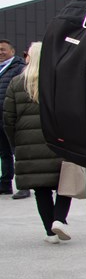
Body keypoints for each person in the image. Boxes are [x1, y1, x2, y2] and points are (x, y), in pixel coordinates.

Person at [3, 42, 73, 242]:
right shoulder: (60, 81)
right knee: (64, 183)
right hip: (59, 139)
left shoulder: (16, 83)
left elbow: (8, 118)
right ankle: (59, 219)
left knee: (40, 188)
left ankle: (50, 232)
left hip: (27, 142)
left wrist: (14, 142)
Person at [0, 39, 28, 199]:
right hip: (0, 118)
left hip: (14, 118)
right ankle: (5, 184)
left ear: (12, 51)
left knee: (18, 153)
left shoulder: (19, 68)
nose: (0, 53)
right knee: (4, 153)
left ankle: (24, 186)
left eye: (3, 49)